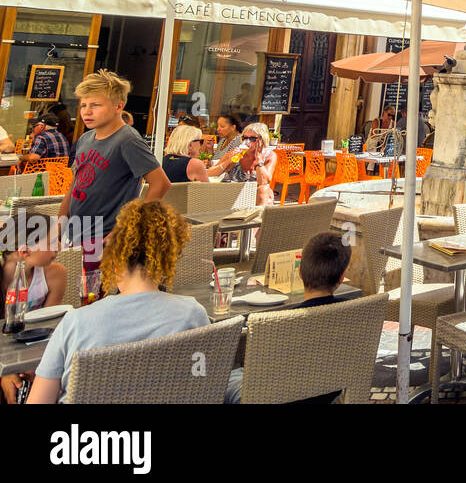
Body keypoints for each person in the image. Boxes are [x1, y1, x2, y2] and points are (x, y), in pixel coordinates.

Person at [27, 200, 207, 404]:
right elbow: (200, 383)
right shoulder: (193, 314)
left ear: (115, 254)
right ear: (169, 258)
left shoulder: (75, 323)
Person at [62, 71, 170, 277]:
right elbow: (76, 184)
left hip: (104, 235)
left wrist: (128, 227)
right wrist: (60, 220)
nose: (87, 111)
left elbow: (161, 183)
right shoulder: (86, 138)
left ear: (118, 106)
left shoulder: (127, 140)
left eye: (95, 105)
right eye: (84, 105)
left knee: (93, 295)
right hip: (75, 232)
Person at [223, 231, 352, 403]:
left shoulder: (276, 323)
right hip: (327, 396)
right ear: (342, 277)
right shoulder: (354, 314)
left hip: (272, 397)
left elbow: (260, 377)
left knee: (224, 378)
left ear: (299, 272)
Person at [0, 238, 69, 404]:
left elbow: (45, 329)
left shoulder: (55, 273)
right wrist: (5, 374)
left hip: (31, 357)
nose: (59, 246)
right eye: (51, 241)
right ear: (24, 251)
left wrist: (33, 368)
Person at [225, 121, 277, 206]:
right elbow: (216, 171)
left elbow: (263, 182)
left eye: (252, 139)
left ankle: (259, 218)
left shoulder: (270, 155)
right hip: (233, 192)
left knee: (263, 189)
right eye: (244, 138)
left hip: (256, 195)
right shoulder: (235, 153)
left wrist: (259, 160)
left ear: (262, 140)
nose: (247, 141)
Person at [206, 113, 242, 179]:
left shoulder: (239, 140)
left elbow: (230, 164)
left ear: (233, 127)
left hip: (229, 179)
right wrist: (210, 149)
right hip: (215, 175)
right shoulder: (223, 140)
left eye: (222, 127)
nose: (218, 129)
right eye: (218, 126)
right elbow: (214, 160)